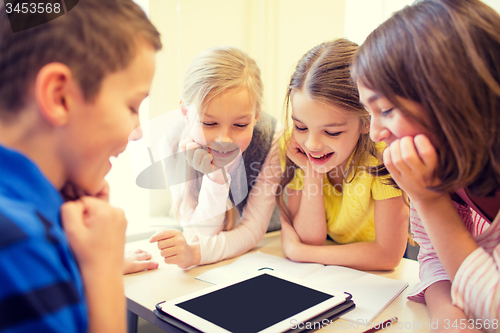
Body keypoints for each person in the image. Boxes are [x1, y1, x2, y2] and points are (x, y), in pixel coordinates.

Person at [0, 1, 161, 331]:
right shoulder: (20, 242)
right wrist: (103, 267)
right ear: (59, 96)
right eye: (132, 106)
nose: (138, 131)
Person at [353, 0, 500, 331]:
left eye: (387, 109)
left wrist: (429, 200)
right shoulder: (434, 164)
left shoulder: (426, 182)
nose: (375, 132)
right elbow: (434, 256)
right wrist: (448, 314)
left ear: (452, 96)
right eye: (369, 112)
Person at [276, 38, 409, 271]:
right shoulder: (295, 147)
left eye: (332, 132)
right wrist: (312, 172)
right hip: (331, 265)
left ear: (367, 121)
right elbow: (310, 237)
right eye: (301, 127)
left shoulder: (383, 156)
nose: (312, 144)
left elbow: (388, 256)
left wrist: (301, 252)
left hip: (374, 273)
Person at [149, 46, 282, 269]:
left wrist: (196, 255)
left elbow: (253, 230)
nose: (224, 139)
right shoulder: (171, 144)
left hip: (268, 246)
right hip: (222, 258)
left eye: (240, 125)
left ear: (256, 116)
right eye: (209, 123)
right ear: (185, 113)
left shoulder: (273, 138)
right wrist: (215, 178)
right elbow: (197, 235)